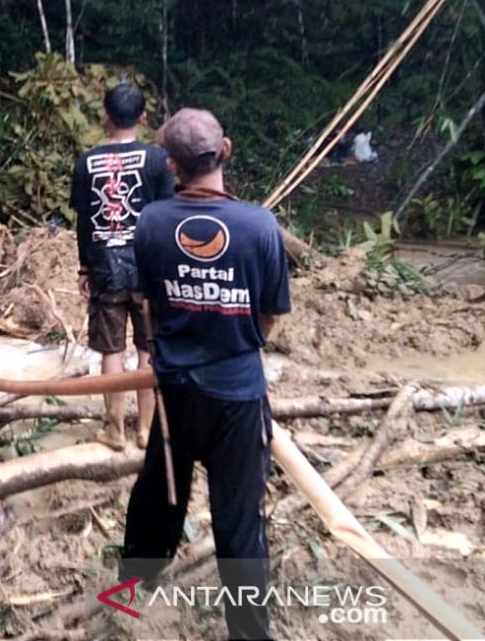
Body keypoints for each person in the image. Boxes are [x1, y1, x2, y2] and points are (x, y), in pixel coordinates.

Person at [119, 108, 291, 640]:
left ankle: (127, 598)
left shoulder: (150, 221)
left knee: (158, 497)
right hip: (237, 396)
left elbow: (149, 302)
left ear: (171, 165)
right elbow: (268, 316)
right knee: (239, 517)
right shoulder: (261, 226)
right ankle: (248, 632)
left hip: (173, 392)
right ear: (227, 151)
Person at [70, 81, 174, 450]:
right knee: (149, 350)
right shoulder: (158, 160)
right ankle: (145, 429)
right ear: (143, 117)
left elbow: (84, 221)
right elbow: (166, 217)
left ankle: (114, 428)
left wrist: (85, 268)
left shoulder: (87, 163)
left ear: (105, 116)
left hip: (105, 268)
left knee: (111, 350)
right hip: (149, 269)